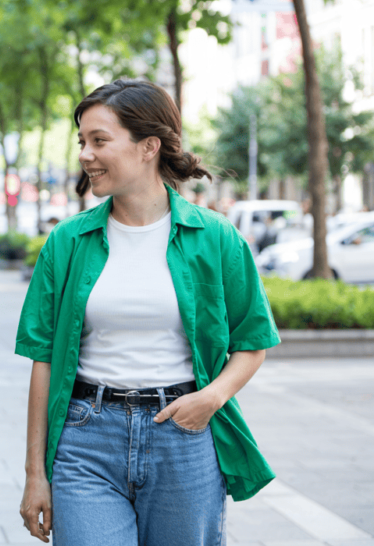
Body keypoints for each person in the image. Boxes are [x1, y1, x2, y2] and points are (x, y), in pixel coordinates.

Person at [16, 79, 280, 545]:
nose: (85, 154)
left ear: (148, 147)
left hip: (182, 436)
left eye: (99, 140)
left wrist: (211, 398)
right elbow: (43, 358)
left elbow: (252, 341)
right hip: (86, 437)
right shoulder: (67, 242)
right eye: (82, 141)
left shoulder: (215, 237)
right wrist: (35, 473)